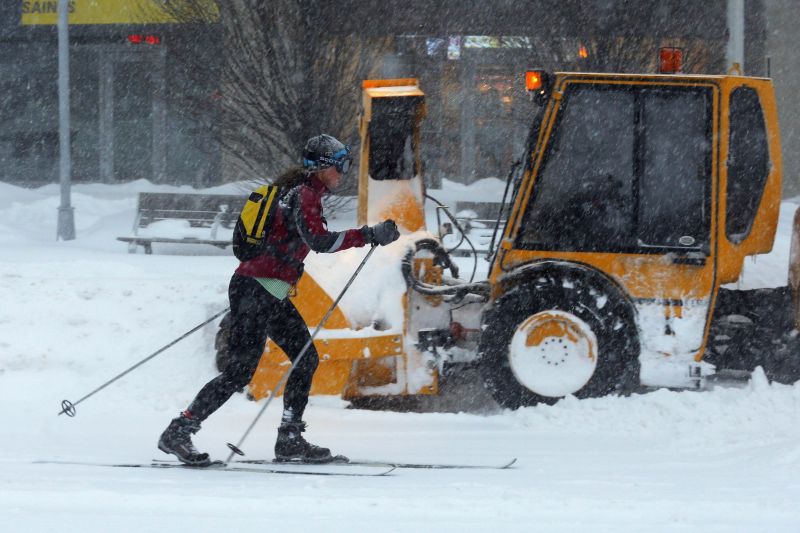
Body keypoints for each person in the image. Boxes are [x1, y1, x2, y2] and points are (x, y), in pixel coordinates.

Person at [157, 134, 400, 465]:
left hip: (264, 291)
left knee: (305, 358)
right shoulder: (305, 195)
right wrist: (369, 235)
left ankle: (289, 438)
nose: (344, 173)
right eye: (341, 165)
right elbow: (320, 241)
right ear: (323, 167)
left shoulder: (295, 193)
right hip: (257, 290)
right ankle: (179, 431)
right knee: (240, 373)